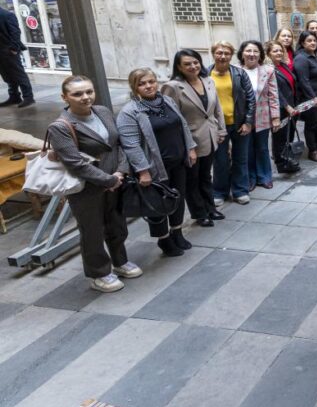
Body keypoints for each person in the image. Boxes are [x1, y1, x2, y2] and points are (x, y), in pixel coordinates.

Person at [48, 75, 139, 292]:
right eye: (77, 94)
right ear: (65, 97)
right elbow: (75, 163)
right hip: (86, 188)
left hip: (115, 180)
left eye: (89, 91)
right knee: (92, 231)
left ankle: (120, 261)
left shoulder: (103, 111)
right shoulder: (60, 127)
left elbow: (117, 145)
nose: (85, 97)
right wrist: (108, 180)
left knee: (117, 224)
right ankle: (99, 274)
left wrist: (121, 171)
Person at [118, 68, 197, 257]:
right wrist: (142, 171)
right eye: (142, 83)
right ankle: (164, 239)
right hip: (154, 168)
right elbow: (131, 145)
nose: (148, 86)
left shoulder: (166, 101)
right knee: (158, 203)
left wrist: (190, 148)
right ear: (134, 87)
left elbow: (182, 125)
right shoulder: (130, 112)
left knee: (177, 197)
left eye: (151, 81)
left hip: (178, 162)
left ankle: (177, 231)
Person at [162, 49, 226, 226]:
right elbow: (171, 119)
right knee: (192, 179)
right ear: (179, 67)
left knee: (206, 175)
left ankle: (210, 207)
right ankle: (199, 213)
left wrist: (221, 131)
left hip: (210, 136)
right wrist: (187, 145)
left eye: (195, 62)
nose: (193, 66)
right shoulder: (173, 87)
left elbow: (217, 109)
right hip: (190, 141)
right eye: (187, 64)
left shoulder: (208, 80)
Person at [209, 41, 255, 205]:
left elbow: (251, 98)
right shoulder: (205, 74)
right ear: (213, 53)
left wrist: (248, 122)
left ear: (231, 55)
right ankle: (219, 191)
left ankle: (240, 190)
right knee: (219, 159)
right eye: (219, 53)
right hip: (217, 126)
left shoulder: (239, 74)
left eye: (226, 53)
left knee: (240, 158)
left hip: (239, 122)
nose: (223, 56)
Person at [237, 40, 280, 191]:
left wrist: (275, 117)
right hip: (243, 119)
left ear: (260, 54)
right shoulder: (236, 71)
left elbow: (273, 95)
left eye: (255, 51)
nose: (252, 54)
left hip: (263, 116)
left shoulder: (268, 70)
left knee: (262, 147)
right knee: (246, 149)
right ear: (242, 53)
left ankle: (265, 177)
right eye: (248, 51)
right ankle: (250, 178)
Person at [266, 41, 300, 171]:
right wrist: (286, 106)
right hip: (280, 108)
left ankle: (288, 159)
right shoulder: (269, 70)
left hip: (292, 106)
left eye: (280, 50)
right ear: (268, 53)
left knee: (288, 135)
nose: (279, 53)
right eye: (275, 51)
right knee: (279, 137)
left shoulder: (283, 66)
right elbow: (275, 92)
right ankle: (281, 164)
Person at [293, 31, 317, 162]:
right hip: (310, 98)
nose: (313, 43)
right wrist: (313, 97)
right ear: (302, 43)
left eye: (314, 40)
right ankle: (312, 151)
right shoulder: (301, 58)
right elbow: (303, 81)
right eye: (309, 41)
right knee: (311, 125)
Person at [0, 6, 33, 107]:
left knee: (18, 74)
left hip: (8, 50)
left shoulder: (7, 15)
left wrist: (14, 48)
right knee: (7, 75)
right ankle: (14, 96)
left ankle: (28, 97)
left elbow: (15, 32)